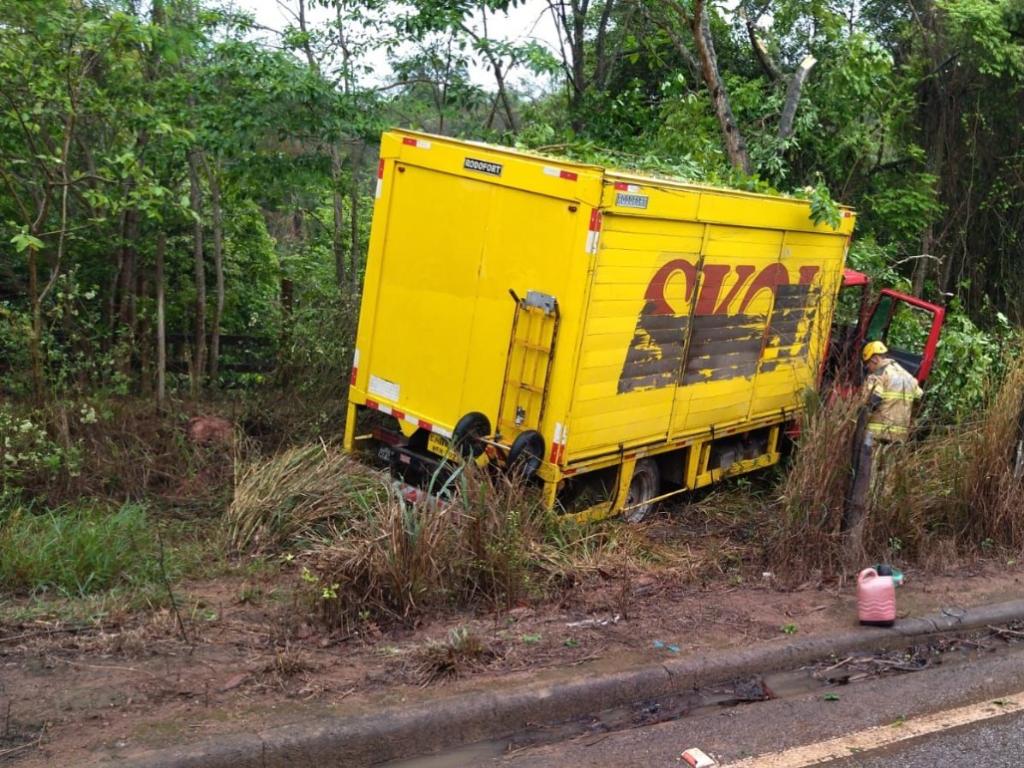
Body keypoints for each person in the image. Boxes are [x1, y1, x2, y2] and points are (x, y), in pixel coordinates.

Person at [844, 341, 923, 551]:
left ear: (875, 358)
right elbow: (919, 395)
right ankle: (883, 510)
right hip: (899, 437)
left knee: (868, 475)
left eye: (868, 363)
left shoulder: (878, 375)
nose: (868, 368)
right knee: (888, 477)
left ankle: (867, 511)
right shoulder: (906, 375)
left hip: (876, 434)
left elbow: (871, 401)